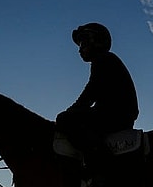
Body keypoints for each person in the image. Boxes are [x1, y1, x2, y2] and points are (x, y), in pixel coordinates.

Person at [56, 22, 139, 171]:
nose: (80, 49)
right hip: (116, 112)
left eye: (83, 43)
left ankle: (101, 161)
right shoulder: (105, 60)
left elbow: (91, 91)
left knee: (65, 119)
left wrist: (71, 110)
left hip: (114, 114)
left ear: (95, 41)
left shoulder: (103, 59)